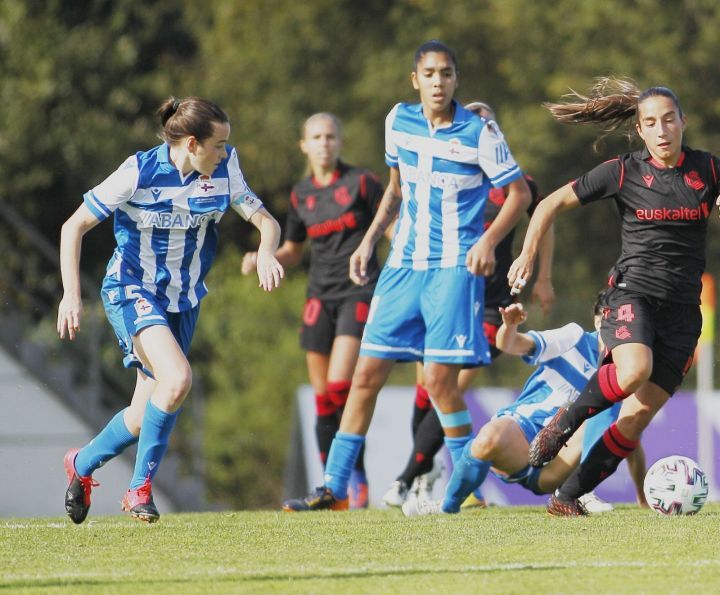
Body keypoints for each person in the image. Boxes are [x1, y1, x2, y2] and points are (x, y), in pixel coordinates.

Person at [509, 77, 720, 516]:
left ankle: (565, 498)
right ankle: (566, 420)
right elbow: (549, 205)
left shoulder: (709, 171)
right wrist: (526, 253)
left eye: (669, 120)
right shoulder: (624, 170)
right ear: (640, 130)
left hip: (682, 313)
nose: (661, 130)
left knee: (633, 422)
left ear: (683, 122)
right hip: (631, 294)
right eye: (651, 122)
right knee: (634, 369)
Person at [283, 40, 531, 512]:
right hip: (402, 269)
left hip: (453, 272)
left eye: (447, 73)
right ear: (415, 79)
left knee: (439, 384)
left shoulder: (479, 131)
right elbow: (394, 189)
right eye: (430, 73)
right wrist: (369, 238)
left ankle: (467, 485)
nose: (439, 82)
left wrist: (487, 242)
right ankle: (333, 488)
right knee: (365, 376)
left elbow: (517, 194)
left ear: (456, 80)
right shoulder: (398, 120)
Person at [58, 96, 284, 524]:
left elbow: (266, 221)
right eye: (218, 145)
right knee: (178, 378)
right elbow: (74, 227)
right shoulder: (139, 171)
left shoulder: (225, 168)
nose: (225, 153)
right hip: (132, 289)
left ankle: (81, 464)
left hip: (184, 301)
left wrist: (267, 251)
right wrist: (71, 294)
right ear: (193, 144)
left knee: (143, 416)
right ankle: (139, 491)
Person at [382, 101, 556, 509]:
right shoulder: (441, 176)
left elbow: (543, 221)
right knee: (428, 391)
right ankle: (435, 475)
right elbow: (400, 212)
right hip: (443, 294)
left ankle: (406, 478)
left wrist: (542, 275)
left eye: (488, 123)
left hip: (495, 305)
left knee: (451, 385)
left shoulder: (517, 183)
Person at [241, 113, 383, 509]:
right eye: (316, 137)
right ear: (304, 145)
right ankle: (330, 490)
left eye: (331, 136)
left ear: (340, 141)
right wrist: (262, 255)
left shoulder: (362, 182)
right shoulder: (301, 193)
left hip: (359, 291)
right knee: (323, 398)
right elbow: (293, 249)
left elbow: (390, 224)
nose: (324, 142)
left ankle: (355, 476)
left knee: (341, 386)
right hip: (319, 296)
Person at [402, 299, 648, 516]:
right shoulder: (573, 338)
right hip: (522, 437)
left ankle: (581, 491)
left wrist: (642, 496)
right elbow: (511, 344)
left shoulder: (628, 369)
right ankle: (448, 506)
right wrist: (509, 326)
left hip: (559, 464)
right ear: (598, 321)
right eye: (609, 319)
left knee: (608, 409)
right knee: (488, 438)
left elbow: (627, 436)